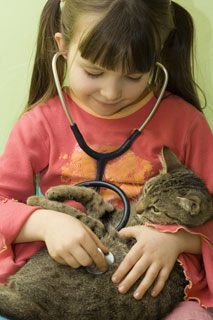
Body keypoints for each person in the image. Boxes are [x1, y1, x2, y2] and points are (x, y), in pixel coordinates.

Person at [0, 0, 213, 319]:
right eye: (94, 72)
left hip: (160, 292)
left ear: (156, 58)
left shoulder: (184, 123)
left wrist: (178, 240)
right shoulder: (40, 124)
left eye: (133, 76)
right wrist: (45, 223)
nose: (111, 92)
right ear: (64, 47)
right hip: (60, 283)